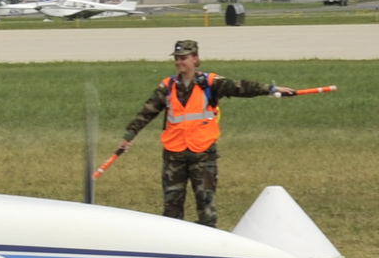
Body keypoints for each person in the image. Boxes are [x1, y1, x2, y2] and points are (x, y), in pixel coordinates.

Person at [117, 39, 294, 226]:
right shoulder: (167, 87)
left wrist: (272, 90)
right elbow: (147, 112)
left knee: (206, 207)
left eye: (184, 58)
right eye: (177, 58)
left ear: (195, 58)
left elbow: (241, 87)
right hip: (174, 155)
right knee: (171, 209)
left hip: (202, 154)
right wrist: (128, 137)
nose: (179, 62)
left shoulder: (210, 83)